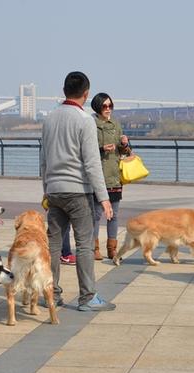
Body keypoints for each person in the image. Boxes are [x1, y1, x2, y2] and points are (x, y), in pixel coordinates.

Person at [40, 71, 116, 311]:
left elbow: (43, 159)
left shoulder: (49, 118)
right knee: (84, 243)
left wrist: (46, 188)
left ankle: (51, 293)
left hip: (54, 190)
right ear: (86, 93)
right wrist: (103, 198)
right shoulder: (85, 120)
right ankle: (87, 297)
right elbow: (92, 163)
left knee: (53, 244)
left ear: (64, 91)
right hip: (77, 192)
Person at [90, 92, 131, 260]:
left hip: (114, 175)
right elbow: (86, 149)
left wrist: (124, 144)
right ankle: (94, 248)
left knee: (113, 215)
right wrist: (101, 149)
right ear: (98, 107)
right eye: (105, 106)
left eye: (110, 106)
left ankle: (112, 249)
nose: (108, 109)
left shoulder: (116, 124)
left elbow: (125, 152)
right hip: (99, 175)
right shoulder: (91, 124)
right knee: (96, 215)